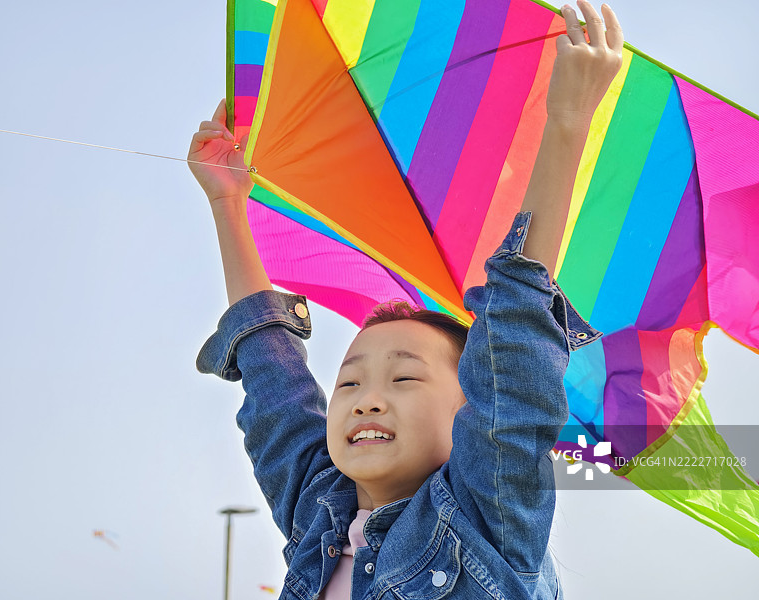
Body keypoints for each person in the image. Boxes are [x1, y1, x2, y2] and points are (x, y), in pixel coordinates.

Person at [189, 2, 621, 598]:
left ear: (471, 414)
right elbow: (274, 381)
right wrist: (228, 204)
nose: (366, 401)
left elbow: (516, 339)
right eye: (349, 383)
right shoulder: (318, 514)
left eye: (405, 380)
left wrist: (568, 119)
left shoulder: (487, 515)